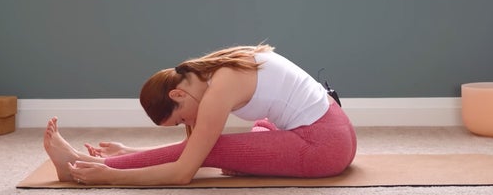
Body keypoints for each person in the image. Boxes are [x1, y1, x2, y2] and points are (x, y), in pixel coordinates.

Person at [43, 44, 357, 186]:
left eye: (180, 119)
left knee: (214, 149)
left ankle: (77, 168)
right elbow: (191, 152)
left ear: (178, 94)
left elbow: (183, 172)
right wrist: (134, 151)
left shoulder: (220, 88)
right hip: (338, 130)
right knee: (248, 135)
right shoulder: (216, 68)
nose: (187, 124)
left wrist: (113, 176)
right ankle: (109, 159)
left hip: (324, 146)